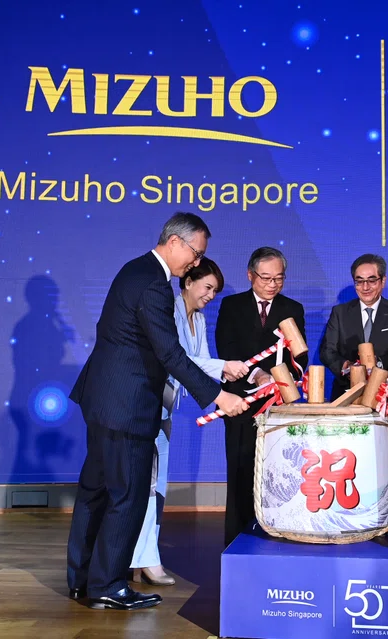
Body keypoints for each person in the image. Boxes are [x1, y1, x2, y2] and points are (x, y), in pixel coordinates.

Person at [66, 213, 247, 611]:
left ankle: (82, 579)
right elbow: (170, 354)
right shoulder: (154, 284)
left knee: (96, 492)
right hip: (127, 406)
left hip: (104, 400)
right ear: (175, 242)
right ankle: (108, 585)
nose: (197, 262)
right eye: (196, 253)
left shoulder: (135, 269)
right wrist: (219, 396)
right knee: (128, 496)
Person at [129, 258, 249, 587]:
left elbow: (203, 362)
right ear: (187, 282)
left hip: (166, 409)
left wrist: (229, 375)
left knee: (158, 486)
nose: (210, 295)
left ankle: (142, 556)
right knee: (146, 485)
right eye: (207, 287)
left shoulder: (200, 318)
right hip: (147, 404)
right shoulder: (168, 310)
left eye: (215, 291)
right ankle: (144, 559)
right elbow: (177, 359)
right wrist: (224, 368)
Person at [215, 247, 307, 546]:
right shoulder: (232, 305)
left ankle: (275, 536)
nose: (272, 284)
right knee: (241, 469)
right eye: (265, 278)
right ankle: (236, 540)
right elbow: (227, 349)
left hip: (277, 404)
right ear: (250, 275)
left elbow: (300, 357)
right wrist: (257, 375)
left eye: (278, 278)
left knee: (277, 471)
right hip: (240, 402)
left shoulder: (293, 308)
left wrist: (280, 378)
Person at [319, 254, 388, 454]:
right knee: (345, 456)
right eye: (359, 281)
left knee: (386, 457)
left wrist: (378, 366)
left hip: (386, 398)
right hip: (346, 397)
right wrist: (347, 366)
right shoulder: (340, 312)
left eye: (371, 280)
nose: (365, 287)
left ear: (383, 281)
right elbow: (327, 351)